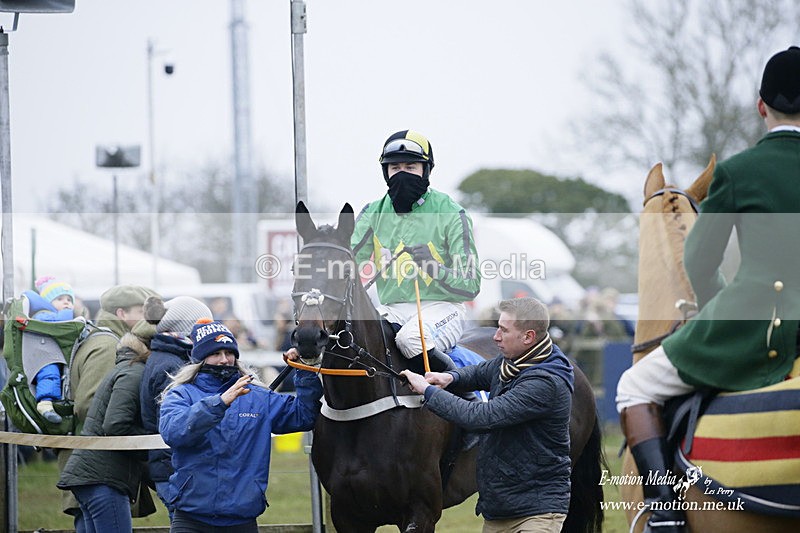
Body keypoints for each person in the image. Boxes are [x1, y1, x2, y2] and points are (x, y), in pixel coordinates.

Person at [616, 46, 800, 533]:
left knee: (633, 385)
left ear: (762, 106)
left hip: (754, 327)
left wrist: (718, 308)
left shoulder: (738, 171)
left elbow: (700, 260)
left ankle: (664, 511)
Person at [401, 297, 573, 533]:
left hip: (536, 515)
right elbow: (483, 371)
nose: (495, 336)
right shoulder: (514, 362)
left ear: (528, 337)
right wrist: (450, 377)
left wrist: (428, 391)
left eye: (503, 330)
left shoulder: (544, 383)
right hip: (499, 511)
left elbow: (481, 417)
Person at [159, 319, 323, 532]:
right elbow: (173, 431)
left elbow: (304, 415)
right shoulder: (181, 394)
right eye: (215, 354)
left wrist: (305, 368)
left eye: (229, 353)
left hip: (242, 519)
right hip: (191, 519)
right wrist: (219, 403)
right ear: (200, 358)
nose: (224, 360)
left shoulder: (257, 397)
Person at [351, 129, 481, 372]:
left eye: (410, 167)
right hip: (391, 309)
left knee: (411, 339)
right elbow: (347, 264)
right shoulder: (372, 213)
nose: (402, 174)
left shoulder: (452, 213)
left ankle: (466, 398)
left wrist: (433, 266)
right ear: (386, 172)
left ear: (426, 170)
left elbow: (471, 285)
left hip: (442, 308)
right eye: (395, 168)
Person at [57, 284, 159, 531]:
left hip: (95, 461)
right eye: (141, 311)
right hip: (99, 462)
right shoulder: (107, 345)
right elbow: (90, 404)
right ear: (122, 314)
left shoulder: (105, 340)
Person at [138, 295, 213, 517]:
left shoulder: (169, 358)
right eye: (204, 326)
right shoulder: (171, 367)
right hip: (176, 471)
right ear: (188, 328)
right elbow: (176, 426)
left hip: (173, 468)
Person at [22, 276, 77, 424]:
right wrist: (69, 313)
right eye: (60, 299)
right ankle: (45, 403)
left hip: (54, 353)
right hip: (44, 357)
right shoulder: (44, 315)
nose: (66, 302)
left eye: (69, 299)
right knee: (49, 375)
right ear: (48, 302)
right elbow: (59, 322)